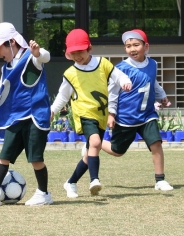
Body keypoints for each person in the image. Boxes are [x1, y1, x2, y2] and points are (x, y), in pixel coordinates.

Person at [0, 22, 53, 207]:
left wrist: (38, 53)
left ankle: (44, 193)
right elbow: (2, 93)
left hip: (34, 116)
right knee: (4, 155)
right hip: (15, 117)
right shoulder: (6, 68)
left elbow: (45, 57)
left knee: (36, 158)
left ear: (11, 42)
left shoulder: (31, 58)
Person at [51, 28, 132, 198]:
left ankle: (71, 182)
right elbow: (62, 96)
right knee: (95, 142)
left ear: (89, 48)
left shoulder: (103, 63)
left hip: (100, 116)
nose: (77, 56)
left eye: (80, 51)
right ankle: (94, 180)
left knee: (90, 154)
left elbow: (118, 76)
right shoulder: (70, 74)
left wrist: (125, 82)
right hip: (84, 114)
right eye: (73, 53)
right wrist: (52, 111)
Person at [100, 29, 174, 191]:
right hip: (126, 118)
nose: (132, 49)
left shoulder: (153, 64)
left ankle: (160, 180)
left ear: (145, 46)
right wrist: (111, 113)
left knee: (156, 144)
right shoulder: (120, 68)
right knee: (117, 151)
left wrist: (162, 96)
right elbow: (112, 92)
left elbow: (153, 83)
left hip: (147, 115)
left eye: (136, 45)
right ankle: (94, 144)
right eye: (128, 46)